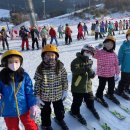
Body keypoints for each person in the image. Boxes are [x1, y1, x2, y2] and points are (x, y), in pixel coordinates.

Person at [0, 50, 38, 130]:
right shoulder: (1, 77)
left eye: (16, 61)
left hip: (24, 108)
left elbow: (29, 92)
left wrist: (32, 105)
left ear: (20, 62)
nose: (13, 64)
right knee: (12, 128)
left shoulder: (24, 76)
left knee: (31, 126)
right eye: (10, 62)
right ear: (5, 63)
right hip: (8, 109)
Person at [34, 44, 69, 130]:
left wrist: (65, 90)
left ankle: (59, 119)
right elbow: (37, 83)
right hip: (45, 97)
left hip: (57, 95)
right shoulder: (40, 68)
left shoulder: (60, 66)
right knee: (45, 112)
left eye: (52, 55)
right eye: (48, 55)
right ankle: (46, 125)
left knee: (60, 110)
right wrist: (37, 96)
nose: (50, 57)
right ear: (43, 56)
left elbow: (64, 79)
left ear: (56, 56)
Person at [70, 44, 100, 124]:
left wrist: (90, 70)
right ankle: (74, 112)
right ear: (83, 51)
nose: (88, 54)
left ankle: (91, 107)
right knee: (77, 101)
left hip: (88, 86)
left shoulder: (90, 61)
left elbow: (92, 75)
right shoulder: (76, 61)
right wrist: (84, 68)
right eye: (87, 52)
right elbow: (75, 70)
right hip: (78, 87)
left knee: (90, 98)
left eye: (90, 53)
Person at [93, 36, 120, 107]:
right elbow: (94, 55)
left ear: (113, 46)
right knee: (101, 86)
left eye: (111, 44)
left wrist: (117, 73)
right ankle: (98, 96)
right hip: (102, 74)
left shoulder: (114, 54)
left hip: (111, 74)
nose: (109, 45)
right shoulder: (100, 52)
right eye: (107, 43)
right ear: (104, 44)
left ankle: (110, 94)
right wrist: (96, 49)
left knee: (112, 85)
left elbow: (116, 64)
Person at [115, 29, 130, 100]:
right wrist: (117, 64)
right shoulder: (123, 46)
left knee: (129, 80)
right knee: (124, 79)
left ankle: (127, 88)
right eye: (129, 36)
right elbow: (120, 56)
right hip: (125, 68)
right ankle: (120, 90)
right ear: (127, 37)